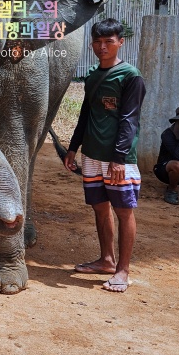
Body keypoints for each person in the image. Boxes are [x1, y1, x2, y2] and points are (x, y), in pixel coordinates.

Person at [63, 18, 146, 293]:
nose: (102, 47)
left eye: (109, 42)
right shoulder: (93, 75)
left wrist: (120, 158)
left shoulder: (130, 76)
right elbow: (86, 115)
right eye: (98, 42)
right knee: (100, 209)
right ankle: (106, 260)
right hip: (92, 155)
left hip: (118, 159)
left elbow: (129, 120)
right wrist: (73, 147)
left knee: (124, 211)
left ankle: (123, 270)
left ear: (120, 42)